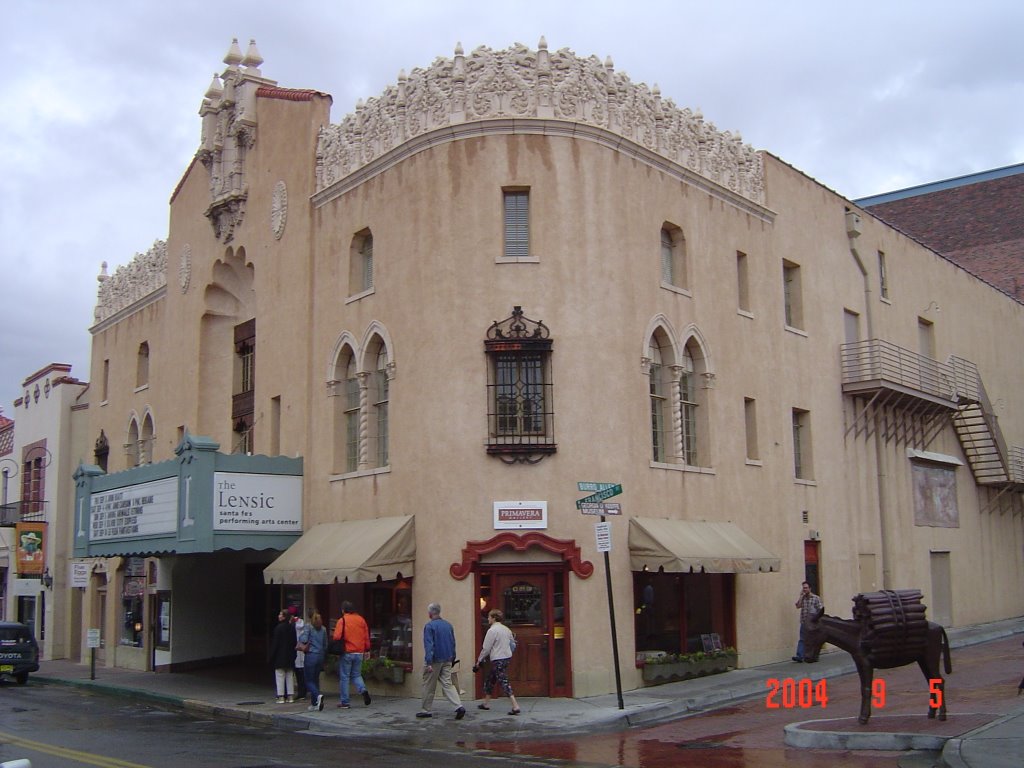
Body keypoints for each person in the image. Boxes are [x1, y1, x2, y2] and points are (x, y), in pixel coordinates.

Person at [416, 602, 466, 720]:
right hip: (447, 658)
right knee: (447, 684)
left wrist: (428, 662)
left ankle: (426, 710)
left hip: (435, 659)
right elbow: (453, 642)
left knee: (428, 684)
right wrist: (453, 657)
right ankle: (458, 706)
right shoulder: (448, 625)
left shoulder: (429, 626)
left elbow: (429, 645)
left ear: (430, 613)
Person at [473, 609, 520, 715]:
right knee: (491, 679)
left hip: (497, 658)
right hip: (506, 657)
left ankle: (515, 706)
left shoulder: (492, 631)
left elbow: (486, 648)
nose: (488, 619)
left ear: (494, 618)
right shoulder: (506, 629)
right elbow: (512, 643)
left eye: (489, 617)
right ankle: (486, 703)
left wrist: (479, 661)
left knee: (503, 681)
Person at [334, 600, 372, 708]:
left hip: (347, 651)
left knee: (345, 677)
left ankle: (345, 702)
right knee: (357, 674)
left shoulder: (343, 620)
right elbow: (366, 636)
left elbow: (337, 636)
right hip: (359, 651)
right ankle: (363, 689)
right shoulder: (361, 620)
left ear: (343, 610)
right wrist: (367, 649)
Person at [298, 611, 327, 710]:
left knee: (308, 680)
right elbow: (325, 645)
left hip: (311, 655)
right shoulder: (323, 629)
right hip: (320, 656)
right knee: (315, 679)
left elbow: (304, 639)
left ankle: (317, 696)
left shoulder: (308, 627)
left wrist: (301, 635)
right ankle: (315, 704)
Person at [268, 609, 296, 703]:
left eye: (280, 614)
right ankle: (290, 696)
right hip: (290, 656)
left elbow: (275, 644)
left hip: (280, 657)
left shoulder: (278, 628)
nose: (278, 616)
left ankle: (281, 697)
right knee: (289, 676)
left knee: (280, 676)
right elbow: (294, 642)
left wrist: (271, 656)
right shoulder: (292, 627)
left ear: (284, 617)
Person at [793, 581, 823, 663]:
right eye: (803, 588)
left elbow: (820, 610)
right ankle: (799, 656)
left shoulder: (816, 598)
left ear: (810, 588)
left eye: (806, 588)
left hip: (812, 623)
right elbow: (798, 606)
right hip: (804, 622)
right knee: (802, 639)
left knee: (813, 639)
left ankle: (813, 655)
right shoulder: (803, 598)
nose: (804, 589)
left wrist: (817, 619)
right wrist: (800, 596)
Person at [290, 607, 306, 700]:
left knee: (297, 673)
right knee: (301, 673)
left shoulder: (292, 625)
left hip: (295, 650)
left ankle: (300, 692)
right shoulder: (302, 623)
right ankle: (302, 691)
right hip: (301, 651)